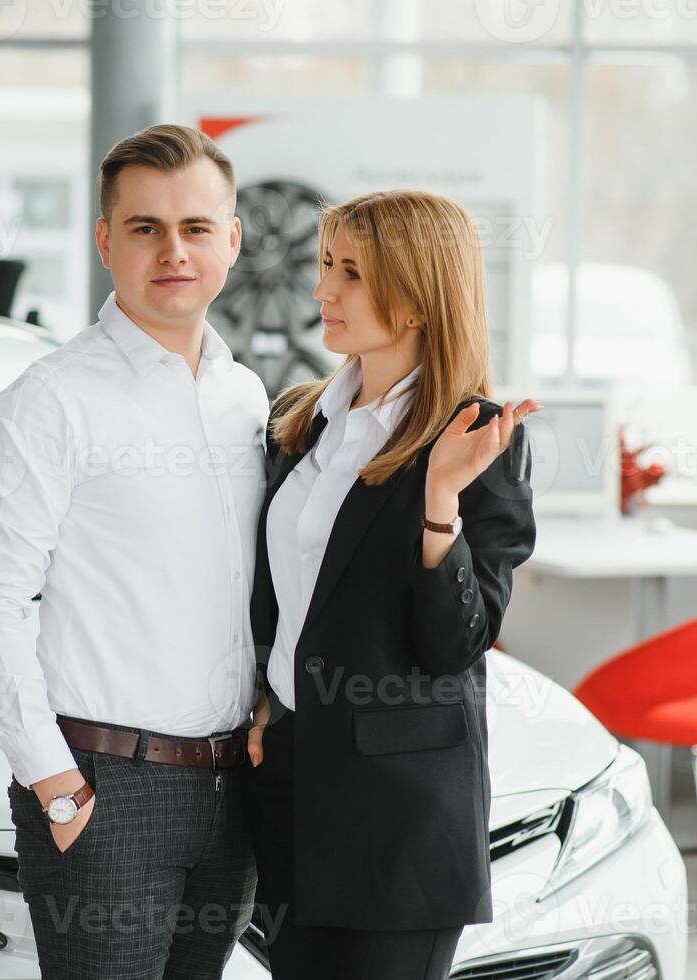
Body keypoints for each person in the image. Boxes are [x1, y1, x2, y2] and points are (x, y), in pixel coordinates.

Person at [0, 123, 269, 980]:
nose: (174, 250)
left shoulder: (245, 397)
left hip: (232, 784)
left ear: (231, 241)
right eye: (144, 228)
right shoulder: (48, 403)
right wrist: (53, 782)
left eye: (197, 227)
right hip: (104, 784)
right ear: (104, 241)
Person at [241, 189, 540, 980]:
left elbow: (455, 647)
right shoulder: (301, 421)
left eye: (349, 274)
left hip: (401, 820)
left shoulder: (479, 438)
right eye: (324, 267)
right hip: (292, 786)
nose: (321, 292)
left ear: (415, 298)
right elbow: (283, 586)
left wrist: (440, 500)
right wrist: (268, 693)